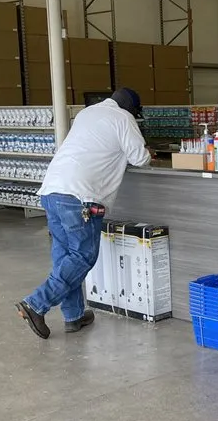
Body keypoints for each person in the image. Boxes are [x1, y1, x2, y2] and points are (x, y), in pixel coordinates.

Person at [16, 87, 150, 339]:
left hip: (52, 190)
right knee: (82, 256)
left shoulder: (88, 113)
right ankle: (36, 304)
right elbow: (140, 158)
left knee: (65, 256)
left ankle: (73, 315)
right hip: (80, 197)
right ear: (131, 109)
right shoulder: (124, 118)